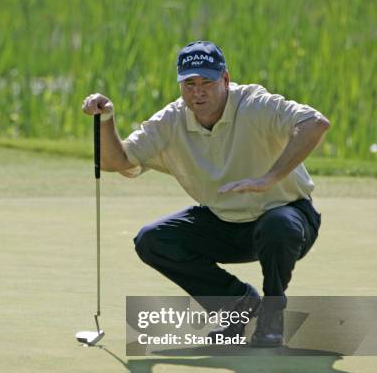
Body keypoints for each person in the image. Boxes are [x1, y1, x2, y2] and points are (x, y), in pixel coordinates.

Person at [82, 40, 330, 347]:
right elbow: (117, 162)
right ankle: (237, 305)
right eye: (190, 84)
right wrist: (106, 120)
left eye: (207, 83)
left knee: (277, 224)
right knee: (153, 240)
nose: (198, 93)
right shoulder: (170, 121)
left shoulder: (254, 104)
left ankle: (272, 313)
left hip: (288, 219)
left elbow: (315, 123)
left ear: (225, 79)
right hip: (225, 223)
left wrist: (270, 178)